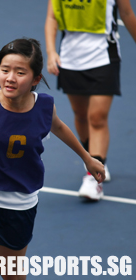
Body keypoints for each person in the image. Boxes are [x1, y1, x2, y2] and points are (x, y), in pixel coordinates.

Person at [0, 38, 105, 280]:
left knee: (12, 275)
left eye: (20, 72)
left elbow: (59, 127)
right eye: (5, 70)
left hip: (19, 205)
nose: (10, 77)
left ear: (35, 79)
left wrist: (87, 158)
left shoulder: (44, 107)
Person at [45, 0, 136, 200]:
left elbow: (127, 14)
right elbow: (52, 17)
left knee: (97, 117)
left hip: (104, 57)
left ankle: (93, 178)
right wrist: (51, 52)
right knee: (80, 115)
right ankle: (95, 161)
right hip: (70, 59)